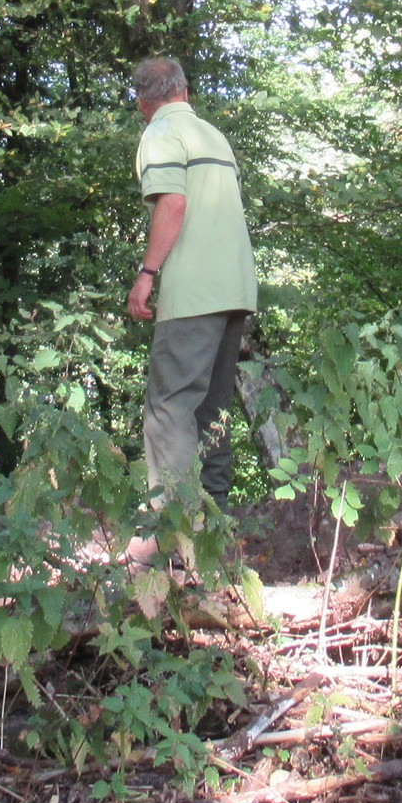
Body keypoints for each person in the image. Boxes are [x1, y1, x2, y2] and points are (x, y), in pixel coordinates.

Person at [124, 56, 259, 502]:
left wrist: (146, 274)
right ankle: (216, 521)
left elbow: (173, 204)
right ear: (184, 91)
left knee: (169, 407)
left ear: (142, 101)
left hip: (194, 293)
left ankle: (177, 523)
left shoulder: (161, 132)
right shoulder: (212, 134)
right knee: (212, 410)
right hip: (236, 290)